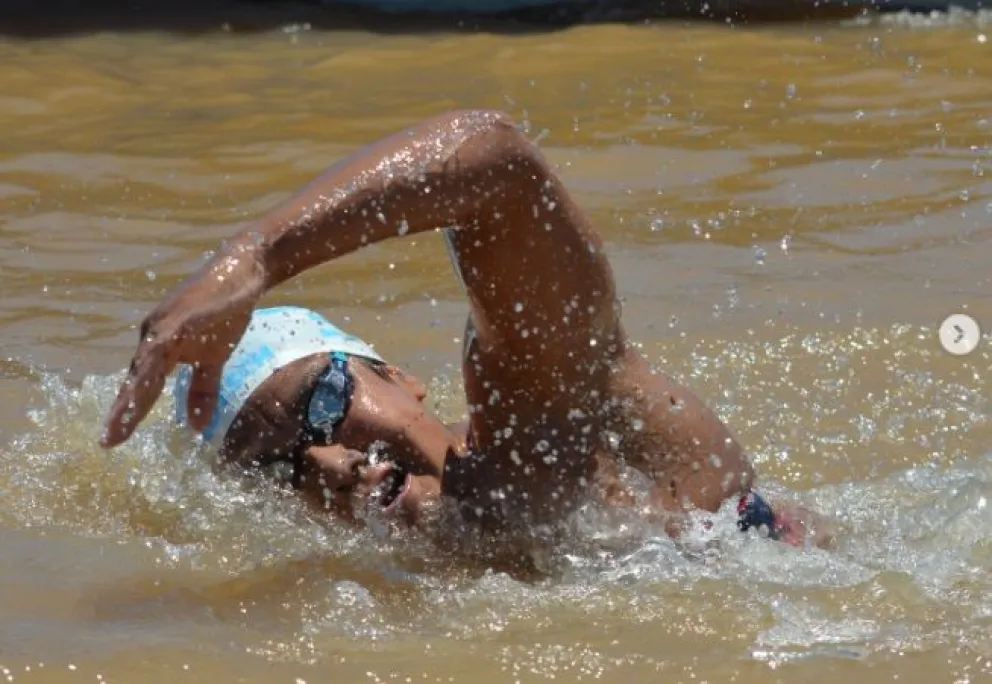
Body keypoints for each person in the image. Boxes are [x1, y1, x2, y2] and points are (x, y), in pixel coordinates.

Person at [101, 110, 828, 556]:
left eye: (319, 408)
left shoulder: (543, 415)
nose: (326, 460)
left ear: (401, 379)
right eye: (275, 466)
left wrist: (253, 257)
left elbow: (498, 164)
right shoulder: (405, 599)